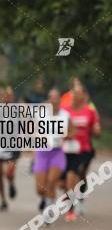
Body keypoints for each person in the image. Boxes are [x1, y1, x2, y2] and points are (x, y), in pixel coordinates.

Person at [63, 81, 101, 221]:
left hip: (84, 150)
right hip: (68, 150)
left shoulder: (90, 110)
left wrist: (96, 131)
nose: (76, 96)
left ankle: (78, 203)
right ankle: (72, 202)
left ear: (84, 96)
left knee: (79, 174)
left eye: (79, 93)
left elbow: (96, 130)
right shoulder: (64, 110)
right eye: (74, 93)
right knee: (70, 177)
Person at [33, 88, 69, 218]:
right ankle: (45, 199)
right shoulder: (40, 114)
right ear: (48, 99)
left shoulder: (65, 115)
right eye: (51, 97)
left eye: (56, 97)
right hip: (42, 152)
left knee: (51, 181)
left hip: (57, 152)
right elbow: (32, 130)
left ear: (60, 99)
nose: (53, 100)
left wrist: (64, 136)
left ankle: (48, 212)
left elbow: (72, 132)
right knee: (40, 189)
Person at [0, 85, 19, 211]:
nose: (6, 98)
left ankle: (11, 183)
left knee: (9, 173)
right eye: (4, 95)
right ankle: (3, 200)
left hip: (13, 146)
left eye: (9, 95)